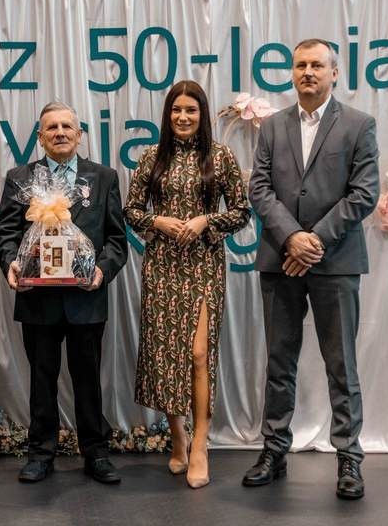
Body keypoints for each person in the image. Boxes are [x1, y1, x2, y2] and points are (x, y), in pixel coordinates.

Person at [244, 39, 380, 500]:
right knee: (279, 362)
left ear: (334, 73)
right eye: (300, 65)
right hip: (280, 259)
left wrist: (315, 240)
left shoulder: (359, 124)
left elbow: (364, 193)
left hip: (335, 261)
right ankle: (273, 451)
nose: (307, 72)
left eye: (317, 65)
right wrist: (291, 238)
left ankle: (349, 457)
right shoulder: (272, 126)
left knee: (341, 365)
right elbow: (259, 189)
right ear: (292, 72)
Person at [124, 80, 250, 489]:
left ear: (202, 114)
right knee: (166, 355)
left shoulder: (221, 156)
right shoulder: (151, 156)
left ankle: (200, 445)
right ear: (168, 114)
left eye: (190, 110)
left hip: (204, 264)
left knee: (198, 354)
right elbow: (131, 210)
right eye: (176, 110)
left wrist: (205, 221)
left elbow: (242, 211)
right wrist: (157, 221)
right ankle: (177, 436)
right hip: (161, 264)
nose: (182, 117)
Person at [0, 101, 128, 484]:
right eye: (51, 127)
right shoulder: (21, 178)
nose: (60, 133)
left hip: (87, 297)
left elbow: (117, 239)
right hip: (37, 298)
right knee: (41, 379)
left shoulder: (103, 177)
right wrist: (12, 264)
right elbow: (6, 234)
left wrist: (102, 271)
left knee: (88, 380)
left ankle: (96, 453)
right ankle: (41, 453)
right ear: (40, 137)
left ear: (79, 134)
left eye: (67, 126)